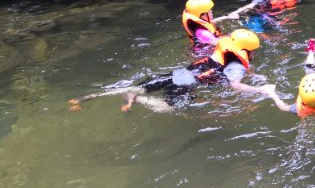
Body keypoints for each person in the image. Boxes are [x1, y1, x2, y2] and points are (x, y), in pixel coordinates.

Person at [69, 29, 271, 112]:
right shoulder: (236, 65)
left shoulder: (222, 49)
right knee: (170, 108)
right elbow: (235, 85)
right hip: (186, 85)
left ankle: (84, 98)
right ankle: (137, 99)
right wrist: (261, 90)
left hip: (178, 74)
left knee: (137, 86)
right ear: (246, 50)